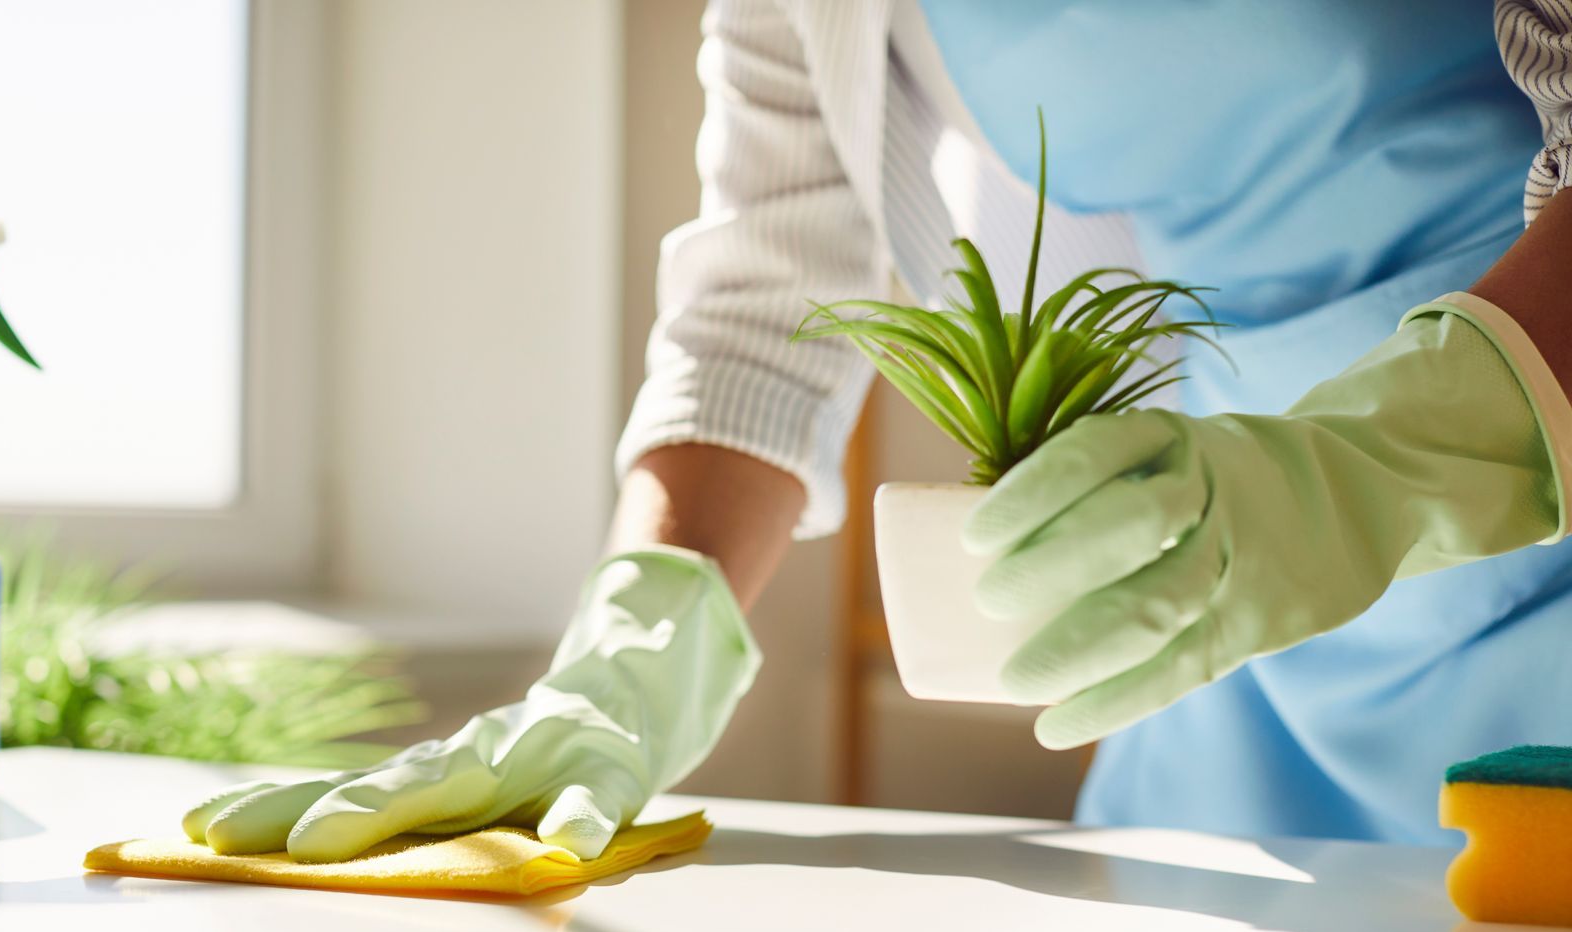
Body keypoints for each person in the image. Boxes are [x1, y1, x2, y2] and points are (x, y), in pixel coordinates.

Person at [188, 0, 1572, 857]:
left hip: (1523, 517)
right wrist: (629, 645)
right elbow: (767, 285)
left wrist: (1376, 473)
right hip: (1236, 622)